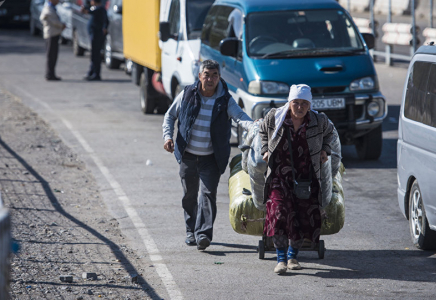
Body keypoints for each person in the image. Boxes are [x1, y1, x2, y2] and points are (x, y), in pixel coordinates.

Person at [163, 59, 252, 251]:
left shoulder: (225, 100)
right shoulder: (187, 94)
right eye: (207, 75)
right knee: (189, 195)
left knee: (207, 194)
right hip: (188, 155)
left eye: (214, 75)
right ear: (199, 76)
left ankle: (203, 234)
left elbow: (241, 117)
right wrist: (167, 136)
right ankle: (190, 230)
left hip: (211, 158)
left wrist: (255, 127)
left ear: (219, 77)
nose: (210, 79)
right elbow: (170, 116)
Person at [259, 84, 338, 274]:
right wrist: (265, 150)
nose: (300, 107)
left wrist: (326, 150)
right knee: (278, 213)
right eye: (296, 103)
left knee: (303, 217)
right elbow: (262, 132)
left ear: (309, 105)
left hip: (306, 177)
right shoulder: (275, 117)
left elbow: (331, 134)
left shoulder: (319, 121)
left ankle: (293, 256)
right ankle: (280, 259)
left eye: (304, 103)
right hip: (279, 175)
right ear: (289, 102)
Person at [81, 0, 108, 81]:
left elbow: (90, 12)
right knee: (93, 54)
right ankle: (92, 71)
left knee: (95, 55)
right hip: (94, 34)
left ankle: (96, 73)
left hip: (97, 34)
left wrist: (85, 10)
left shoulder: (99, 9)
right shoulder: (98, 9)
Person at [40, 0, 66, 81]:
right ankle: (49, 74)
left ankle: (52, 73)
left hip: (54, 33)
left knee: (54, 55)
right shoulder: (48, 8)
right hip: (51, 34)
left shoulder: (52, 7)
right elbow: (48, 18)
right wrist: (61, 25)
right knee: (51, 55)